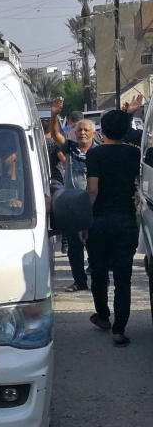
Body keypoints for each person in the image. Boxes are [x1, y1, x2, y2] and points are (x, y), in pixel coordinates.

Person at [85, 109, 141, 346]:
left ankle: (103, 316)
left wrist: (83, 219)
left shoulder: (95, 155)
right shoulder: (133, 154)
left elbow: (92, 190)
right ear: (126, 130)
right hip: (125, 221)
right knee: (123, 278)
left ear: (101, 130)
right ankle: (119, 329)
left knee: (98, 273)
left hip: (99, 221)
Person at [51, 96, 98, 292]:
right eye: (79, 130)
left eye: (86, 130)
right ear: (74, 133)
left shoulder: (99, 153)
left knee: (94, 247)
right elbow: (54, 134)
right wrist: (54, 114)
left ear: (94, 134)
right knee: (74, 249)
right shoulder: (70, 149)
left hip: (94, 207)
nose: (82, 133)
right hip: (72, 208)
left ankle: (97, 278)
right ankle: (79, 281)